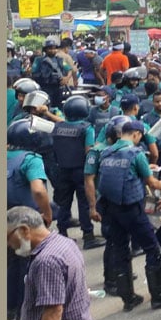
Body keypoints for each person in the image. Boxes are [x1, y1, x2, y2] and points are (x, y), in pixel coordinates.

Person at [94, 119, 161, 311]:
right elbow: (152, 184)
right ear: (136, 134)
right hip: (131, 208)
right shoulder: (135, 153)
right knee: (155, 250)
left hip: (110, 208)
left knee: (121, 250)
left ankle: (128, 298)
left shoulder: (106, 152)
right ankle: (159, 296)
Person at [7, 207, 95, 320]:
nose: (8, 244)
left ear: (24, 230)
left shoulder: (46, 261)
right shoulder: (63, 242)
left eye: (7, 237)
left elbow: (53, 313)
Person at [7, 119, 55, 320]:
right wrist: (47, 213)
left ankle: (9, 307)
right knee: (27, 262)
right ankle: (23, 311)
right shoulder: (31, 159)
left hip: (6, 217)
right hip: (25, 220)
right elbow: (38, 189)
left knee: (11, 262)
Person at [51, 95, 105, 249]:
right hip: (80, 170)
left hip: (62, 169)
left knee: (64, 203)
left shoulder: (58, 127)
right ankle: (88, 236)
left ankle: (61, 234)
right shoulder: (86, 128)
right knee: (84, 203)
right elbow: (89, 150)